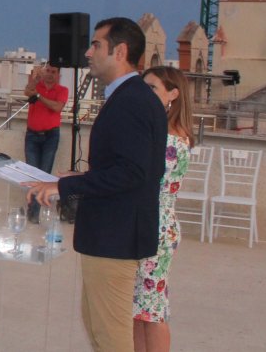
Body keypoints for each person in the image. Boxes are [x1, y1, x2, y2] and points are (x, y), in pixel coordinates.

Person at [25, 17, 168, 352]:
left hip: (115, 236)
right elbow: (126, 166)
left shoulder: (131, 101)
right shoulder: (129, 96)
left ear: (120, 51)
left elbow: (132, 172)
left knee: (111, 335)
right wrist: (76, 178)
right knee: (97, 326)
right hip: (110, 234)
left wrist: (64, 189)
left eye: (96, 45)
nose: (87, 52)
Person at [130, 67, 194, 352]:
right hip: (149, 223)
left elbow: (143, 180)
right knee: (139, 309)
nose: (146, 93)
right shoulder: (158, 131)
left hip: (155, 227)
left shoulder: (170, 139)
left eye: (153, 88)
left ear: (173, 94)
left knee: (152, 309)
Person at [23, 62, 69, 222]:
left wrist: (40, 97)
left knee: (43, 175)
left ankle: (34, 214)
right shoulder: (37, 87)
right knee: (32, 174)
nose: (50, 74)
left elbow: (57, 107)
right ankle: (32, 213)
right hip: (32, 136)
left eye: (53, 71)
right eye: (47, 71)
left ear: (58, 75)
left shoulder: (62, 90)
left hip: (50, 137)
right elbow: (27, 92)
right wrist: (35, 79)